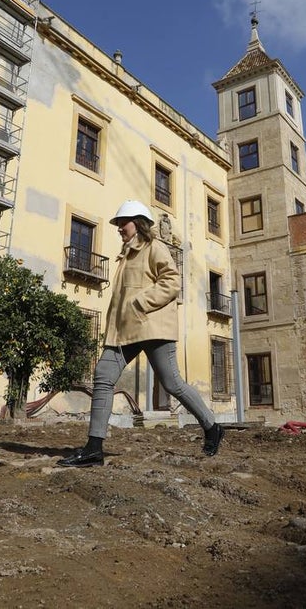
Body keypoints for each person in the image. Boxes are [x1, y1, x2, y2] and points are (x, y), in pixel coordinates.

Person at [58, 200, 224, 467]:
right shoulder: (127, 253)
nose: (119, 228)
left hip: (153, 326)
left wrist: (140, 303)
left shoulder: (154, 248)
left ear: (139, 223)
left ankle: (212, 427)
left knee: (172, 383)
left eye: (123, 223)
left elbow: (172, 282)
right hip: (125, 330)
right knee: (103, 376)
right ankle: (93, 448)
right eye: (118, 224)